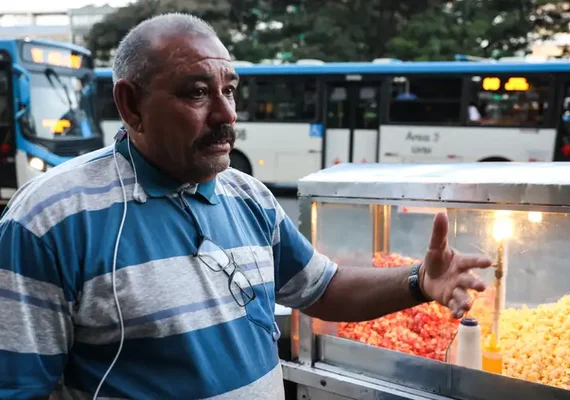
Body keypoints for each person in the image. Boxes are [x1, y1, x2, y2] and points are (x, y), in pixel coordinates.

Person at [0, 13, 492, 400]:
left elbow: (323, 289)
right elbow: (22, 388)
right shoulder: (50, 220)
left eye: (230, 90)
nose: (226, 114)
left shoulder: (249, 196)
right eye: (197, 92)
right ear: (131, 106)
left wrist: (419, 282)